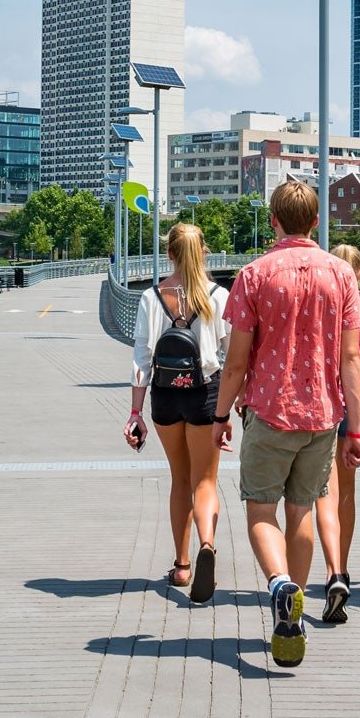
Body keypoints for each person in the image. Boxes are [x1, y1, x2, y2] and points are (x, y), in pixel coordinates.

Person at [211, 181, 360, 668]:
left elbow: (235, 362)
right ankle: (292, 616)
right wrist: (356, 430)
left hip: (269, 410)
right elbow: (350, 362)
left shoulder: (254, 274)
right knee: (301, 513)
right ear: (316, 222)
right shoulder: (341, 275)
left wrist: (219, 417)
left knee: (260, 512)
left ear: (273, 220)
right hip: (322, 416)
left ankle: (279, 588)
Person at [126, 222, 231, 603]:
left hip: (165, 397)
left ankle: (183, 565)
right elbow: (231, 355)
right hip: (206, 394)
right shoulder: (218, 295)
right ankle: (207, 544)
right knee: (205, 481)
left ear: (169, 253)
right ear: (203, 253)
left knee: (179, 480)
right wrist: (234, 405)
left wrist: (135, 413)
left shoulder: (152, 297)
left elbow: (141, 359)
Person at [315, 242, 360, 625]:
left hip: (324, 399)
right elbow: (359, 356)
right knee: (348, 495)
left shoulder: (323, 306)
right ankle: (345, 567)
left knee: (326, 490)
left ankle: (331, 570)